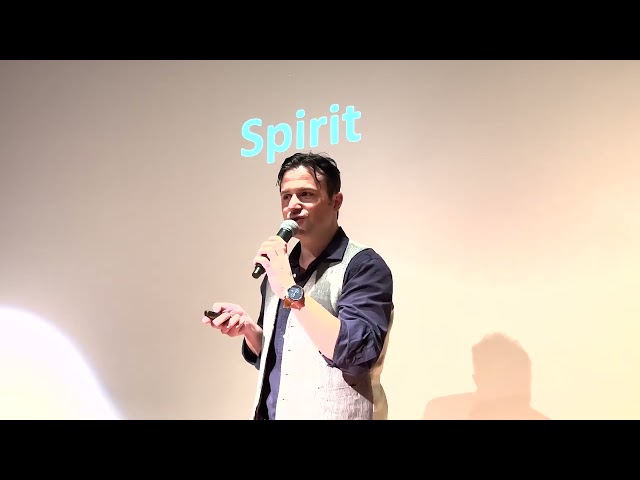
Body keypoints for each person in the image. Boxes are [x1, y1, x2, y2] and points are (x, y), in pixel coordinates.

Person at [202, 151, 394, 420]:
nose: (293, 205)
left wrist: (289, 289)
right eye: (286, 196)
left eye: (306, 194)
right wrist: (249, 330)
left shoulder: (363, 266)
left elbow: (356, 356)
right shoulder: (280, 269)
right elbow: (286, 356)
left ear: (336, 201)